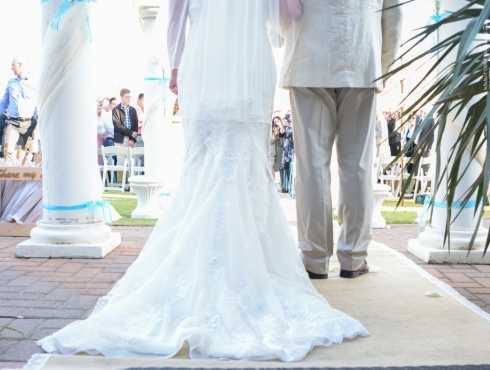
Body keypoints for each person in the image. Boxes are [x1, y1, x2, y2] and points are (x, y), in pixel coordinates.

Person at [37, 0, 367, 362]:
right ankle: (250, 266)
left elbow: (177, 15)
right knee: (245, 166)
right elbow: (291, 14)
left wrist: (176, 62)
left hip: (204, 63)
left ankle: (210, 259)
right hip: (251, 65)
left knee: (204, 166)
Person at [281, 0, 403, 279]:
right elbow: (394, 13)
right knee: (357, 165)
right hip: (360, 55)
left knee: (311, 166)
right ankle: (353, 256)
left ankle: (314, 257)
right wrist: (382, 65)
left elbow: (282, 12)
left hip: (307, 57)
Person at [0, 58, 38, 159]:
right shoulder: (11, 83)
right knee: (6, 152)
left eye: (13, 65)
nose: (11, 68)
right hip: (13, 124)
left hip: (30, 126)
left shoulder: (34, 81)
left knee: (31, 155)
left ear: (21, 65)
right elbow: (4, 102)